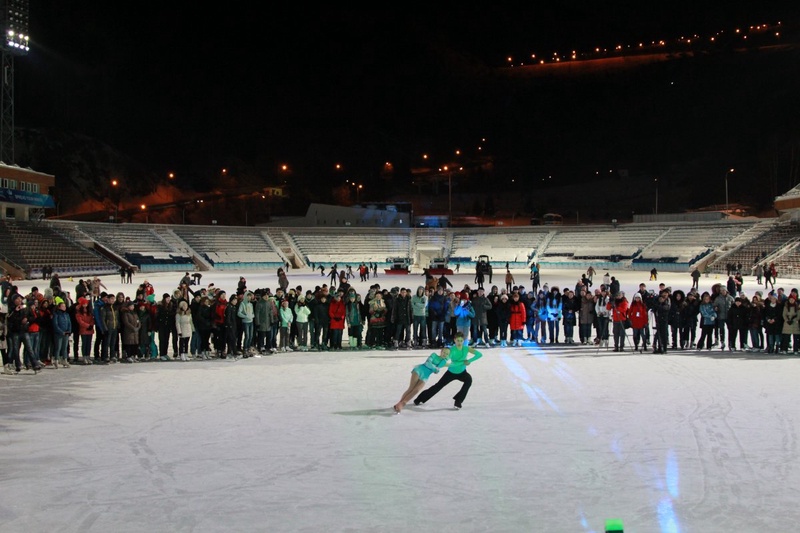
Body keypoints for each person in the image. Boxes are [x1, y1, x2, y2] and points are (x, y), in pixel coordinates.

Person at [413, 331, 482, 410]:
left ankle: (458, 401)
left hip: (462, 372)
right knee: (438, 386)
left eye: (461, 340)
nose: (459, 342)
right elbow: (445, 362)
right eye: (458, 340)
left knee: (468, 380)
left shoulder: (466, 348)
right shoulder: (452, 350)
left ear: (464, 340)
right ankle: (419, 399)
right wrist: (459, 363)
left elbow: (479, 354)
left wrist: (469, 361)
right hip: (451, 373)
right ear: (454, 340)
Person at [393, 347, 451, 413]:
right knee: (411, 388)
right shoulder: (434, 355)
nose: (445, 354)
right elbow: (427, 363)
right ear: (441, 351)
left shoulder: (443, 362)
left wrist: (434, 366)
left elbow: (436, 371)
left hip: (425, 376)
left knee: (416, 390)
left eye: (447, 353)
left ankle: (399, 404)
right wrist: (434, 367)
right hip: (419, 370)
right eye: (444, 352)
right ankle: (400, 404)